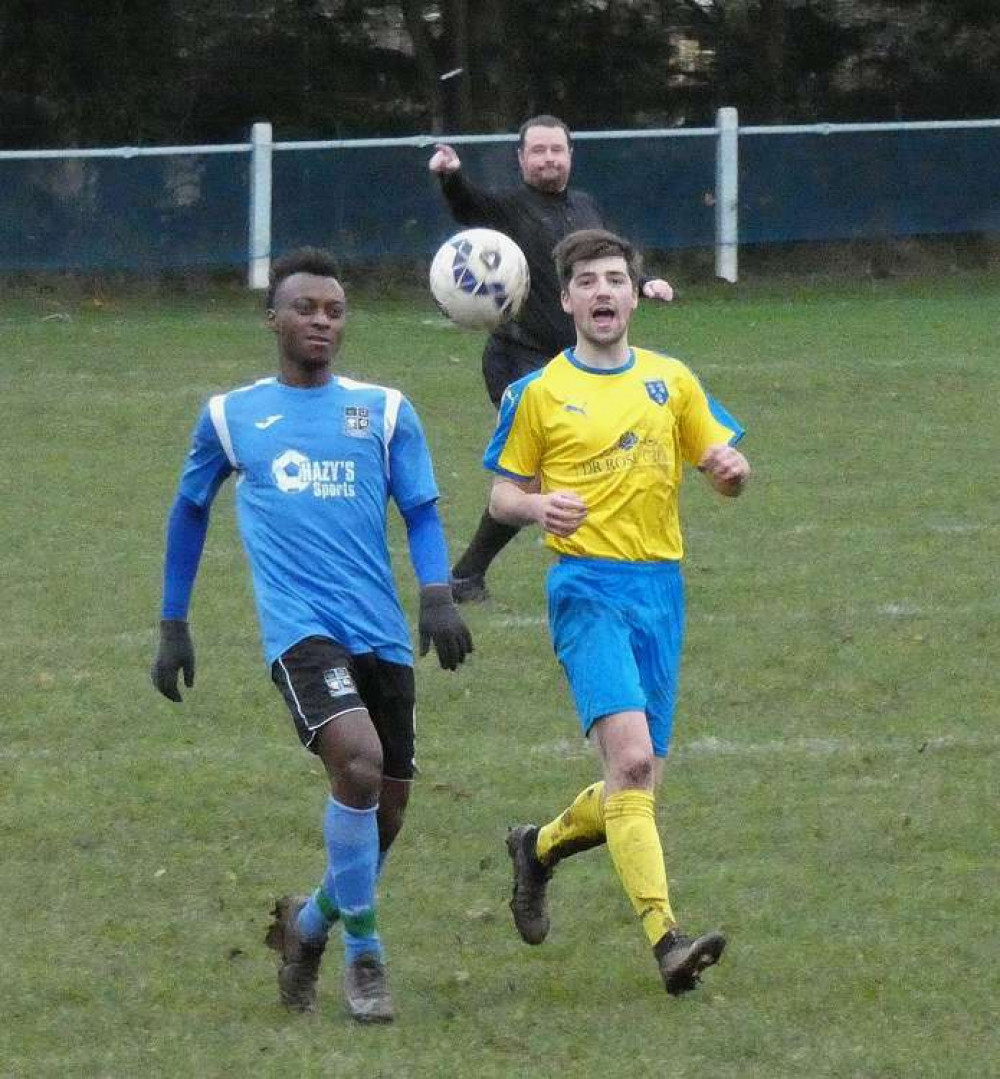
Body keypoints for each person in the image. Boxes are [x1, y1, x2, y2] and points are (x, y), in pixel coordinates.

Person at [150, 247, 473, 1023]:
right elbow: (189, 512)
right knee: (358, 767)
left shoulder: (386, 409)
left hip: (382, 636)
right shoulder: (231, 417)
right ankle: (366, 960)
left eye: (333, 309)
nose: (321, 320)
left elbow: (421, 509)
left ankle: (306, 926)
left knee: (387, 815)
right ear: (274, 319)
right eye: (304, 307)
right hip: (303, 636)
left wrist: (436, 594)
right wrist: (173, 622)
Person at [483, 228, 750, 995]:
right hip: (586, 588)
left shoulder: (673, 381)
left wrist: (732, 472)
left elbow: (722, 468)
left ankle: (536, 847)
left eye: (615, 280)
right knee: (630, 763)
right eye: (588, 282)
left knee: (635, 791)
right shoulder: (537, 393)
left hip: (661, 592)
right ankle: (668, 940)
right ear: (565, 300)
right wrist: (537, 506)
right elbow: (501, 491)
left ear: (636, 294)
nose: (603, 292)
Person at [429, 114, 675, 603]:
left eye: (556, 150)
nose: (548, 160)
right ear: (521, 160)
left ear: (570, 156)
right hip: (519, 360)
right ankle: (469, 572)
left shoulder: (584, 206)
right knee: (535, 472)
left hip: (574, 365)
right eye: (537, 151)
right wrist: (450, 176)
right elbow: (467, 207)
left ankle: (473, 572)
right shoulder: (509, 208)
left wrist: (642, 282)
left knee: (553, 468)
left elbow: (610, 259)